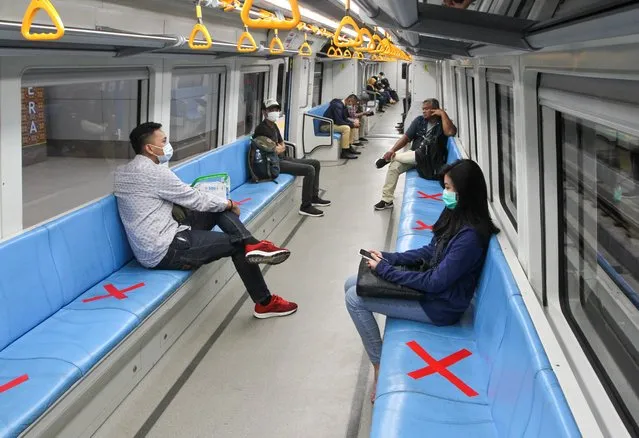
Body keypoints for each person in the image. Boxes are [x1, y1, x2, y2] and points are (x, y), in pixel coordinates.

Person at [345, 159, 499, 402]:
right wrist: (389, 257)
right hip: (432, 293)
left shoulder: (469, 237)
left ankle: (379, 365)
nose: (444, 193)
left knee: (354, 298)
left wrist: (386, 271)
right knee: (350, 282)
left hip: (440, 306)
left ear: (465, 192)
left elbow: (435, 282)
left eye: (449, 188)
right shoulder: (455, 214)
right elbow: (429, 252)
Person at [114, 122, 298, 319]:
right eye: (164, 141)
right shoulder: (154, 172)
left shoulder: (124, 172)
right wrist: (228, 203)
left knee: (215, 208)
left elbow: (181, 197)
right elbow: (194, 199)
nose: (168, 146)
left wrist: (221, 204)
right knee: (236, 244)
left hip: (160, 237)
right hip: (164, 250)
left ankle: (253, 245)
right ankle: (265, 302)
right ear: (149, 148)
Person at [374, 99, 457, 210]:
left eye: (427, 109)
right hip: (413, 157)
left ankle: (388, 158)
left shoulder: (443, 123)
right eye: (423, 109)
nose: (423, 111)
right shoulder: (419, 121)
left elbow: (450, 132)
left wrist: (442, 114)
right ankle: (387, 200)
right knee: (394, 167)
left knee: (408, 156)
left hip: (431, 161)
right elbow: (406, 138)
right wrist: (392, 149)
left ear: (435, 110)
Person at [254, 98, 331, 217]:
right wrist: (278, 148)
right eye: (271, 109)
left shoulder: (273, 126)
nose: (274, 112)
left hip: (280, 158)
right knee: (309, 169)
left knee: (315, 163)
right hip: (272, 164)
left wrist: (279, 148)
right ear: (264, 112)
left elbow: (282, 145)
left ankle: (314, 197)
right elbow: (273, 149)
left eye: (276, 109)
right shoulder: (261, 129)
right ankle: (305, 206)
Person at [322, 95, 362, 159]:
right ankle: (344, 152)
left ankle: (349, 146)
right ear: (349, 101)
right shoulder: (337, 106)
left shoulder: (342, 105)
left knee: (351, 126)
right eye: (352, 104)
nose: (352, 106)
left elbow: (344, 118)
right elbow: (339, 121)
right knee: (346, 128)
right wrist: (352, 124)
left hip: (333, 124)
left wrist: (353, 123)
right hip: (326, 125)